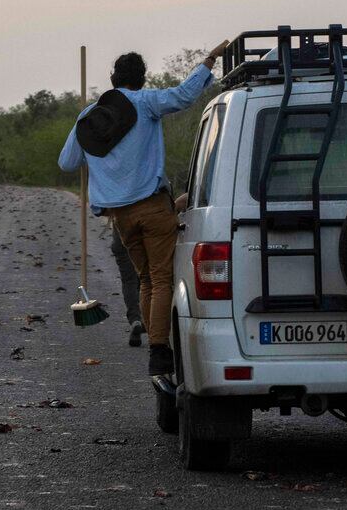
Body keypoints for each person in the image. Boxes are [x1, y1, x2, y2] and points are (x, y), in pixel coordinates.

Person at [59, 42, 229, 375]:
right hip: (152, 207)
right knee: (162, 278)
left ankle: (155, 339)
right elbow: (183, 95)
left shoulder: (89, 115)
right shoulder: (147, 102)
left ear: (112, 78)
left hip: (120, 216)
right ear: (142, 78)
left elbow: (67, 162)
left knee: (146, 280)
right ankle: (159, 349)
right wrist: (209, 60)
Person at [110, 228, 146, 347]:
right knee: (148, 279)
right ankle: (150, 322)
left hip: (122, 232)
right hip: (145, 232)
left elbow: (100, 210)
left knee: (129, 281)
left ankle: (136, 319)